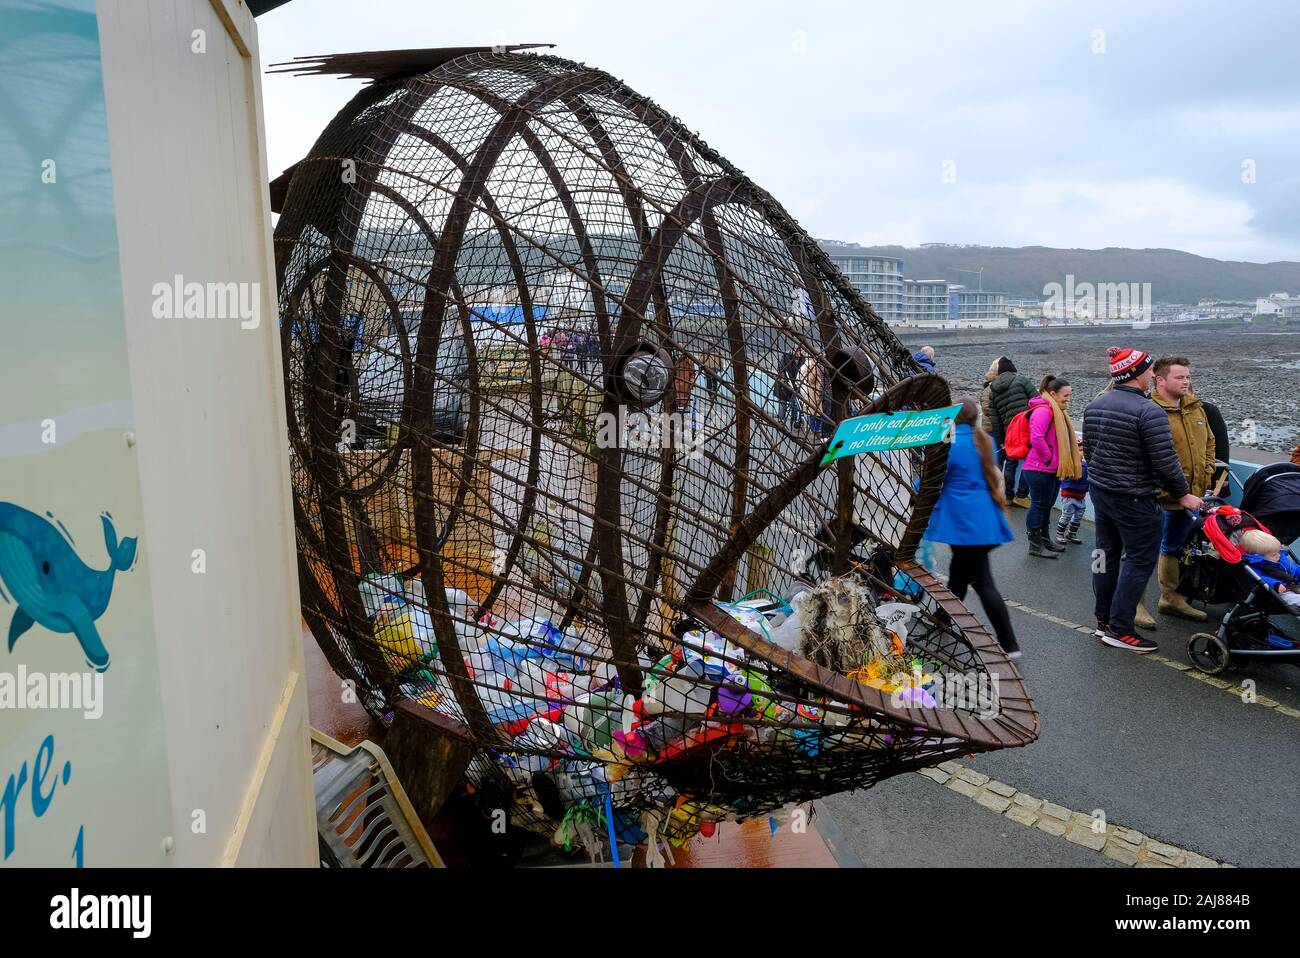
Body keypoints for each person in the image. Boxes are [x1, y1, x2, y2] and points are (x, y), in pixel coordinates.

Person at [1082, 346, 1203, 654]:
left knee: (1105, 557)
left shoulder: (1096, 404)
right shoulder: (1149, 412)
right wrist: (1183, 494)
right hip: (1135, 498)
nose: (1153, 375)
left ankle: (1103, 621)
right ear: (1136, 374)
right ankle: (1121, 629)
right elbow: (1165, 461)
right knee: (1139, 561)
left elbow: (1090, 452)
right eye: (1149, 371)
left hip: (1101, 492)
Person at [925, 400, 1021, 658]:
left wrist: (914, 489)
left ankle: (1009, 644)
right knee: (958, 574)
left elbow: (935, 477)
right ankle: (942, 617)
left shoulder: (951, 444)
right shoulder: (984, 441)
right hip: (984, 518)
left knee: (983, 583)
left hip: (964, 523)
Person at [1150, 357, 1215, 622]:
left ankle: (1173, 595)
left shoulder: (1195, 408)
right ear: (1160, 380)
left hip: (1193, 494)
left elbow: (1209, 443)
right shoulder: (1151, 410)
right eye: (1179, 377)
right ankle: (1156, 600)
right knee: (1155, 548)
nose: (1186, 381)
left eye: (1187, 376)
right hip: (1162, 497)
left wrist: (1208, 472)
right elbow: (1150, 456)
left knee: (1176, 545)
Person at [1022, 375, 1080, 558]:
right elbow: (1037, 438)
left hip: (1051, 468)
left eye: (1070, 395)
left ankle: (1045, 539)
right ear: (1053, 394)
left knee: (1046, 506)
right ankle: (1034, 544)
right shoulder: (1044, 411)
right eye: (1066, 395)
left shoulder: (1057, 410)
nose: (1068, 399)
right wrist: (1049, 459)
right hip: (1039, 468)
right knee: (1039, 505)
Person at [986, 356, 1034, 508]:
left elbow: (995, 420)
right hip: (1027, 427)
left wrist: (1002, 439)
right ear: (1012, 369)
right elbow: (1037, 401)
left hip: (1009, 432)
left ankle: (1007, 496)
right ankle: (1021, 495)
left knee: (1011, 462)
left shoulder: (993, 391)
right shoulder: (1021, 380)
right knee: (1029, 460)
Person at [1239, 529, 1300, 613]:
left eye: (1278, 551)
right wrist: (1275, 584)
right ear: (1258, 556)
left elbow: (1294, 567)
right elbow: (1261, 578)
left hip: (1294, 584)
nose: (1278, 556)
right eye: (1274, 554)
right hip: (1280, 593)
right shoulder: (1255, 566)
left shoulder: (1280, 557)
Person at [1054, 441, 1089, 546]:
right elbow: (1079, 475)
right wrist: (1085, 463)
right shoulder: (1073, 464)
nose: (1082, 453)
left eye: (1084, 450)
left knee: (1078, 516)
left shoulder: (1085, 465)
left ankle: (1071, 533)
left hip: (1081, 496)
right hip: (1069, 496)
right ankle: (1059, 534)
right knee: (1066, 515)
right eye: (1080, 450)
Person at [799, 351, 825, 435]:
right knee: (814, 413)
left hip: (820, 391)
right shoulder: (812, 366)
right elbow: (810, 379)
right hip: (814, 392)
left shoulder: (821, 366)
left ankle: (816, 430)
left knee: (818, 413)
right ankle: (815, 430)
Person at [775, 347, 802, 429]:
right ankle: (781, 420)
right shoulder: (785, 357)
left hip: (795, 386)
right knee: (783, 403)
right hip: (783, 386)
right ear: (793, 350)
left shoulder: (802, 359)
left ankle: (794, 421)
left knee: (794, 404)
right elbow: (781, 370)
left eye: (800, 350)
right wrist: (785, 380)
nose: (799, 352)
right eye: (797, 350)